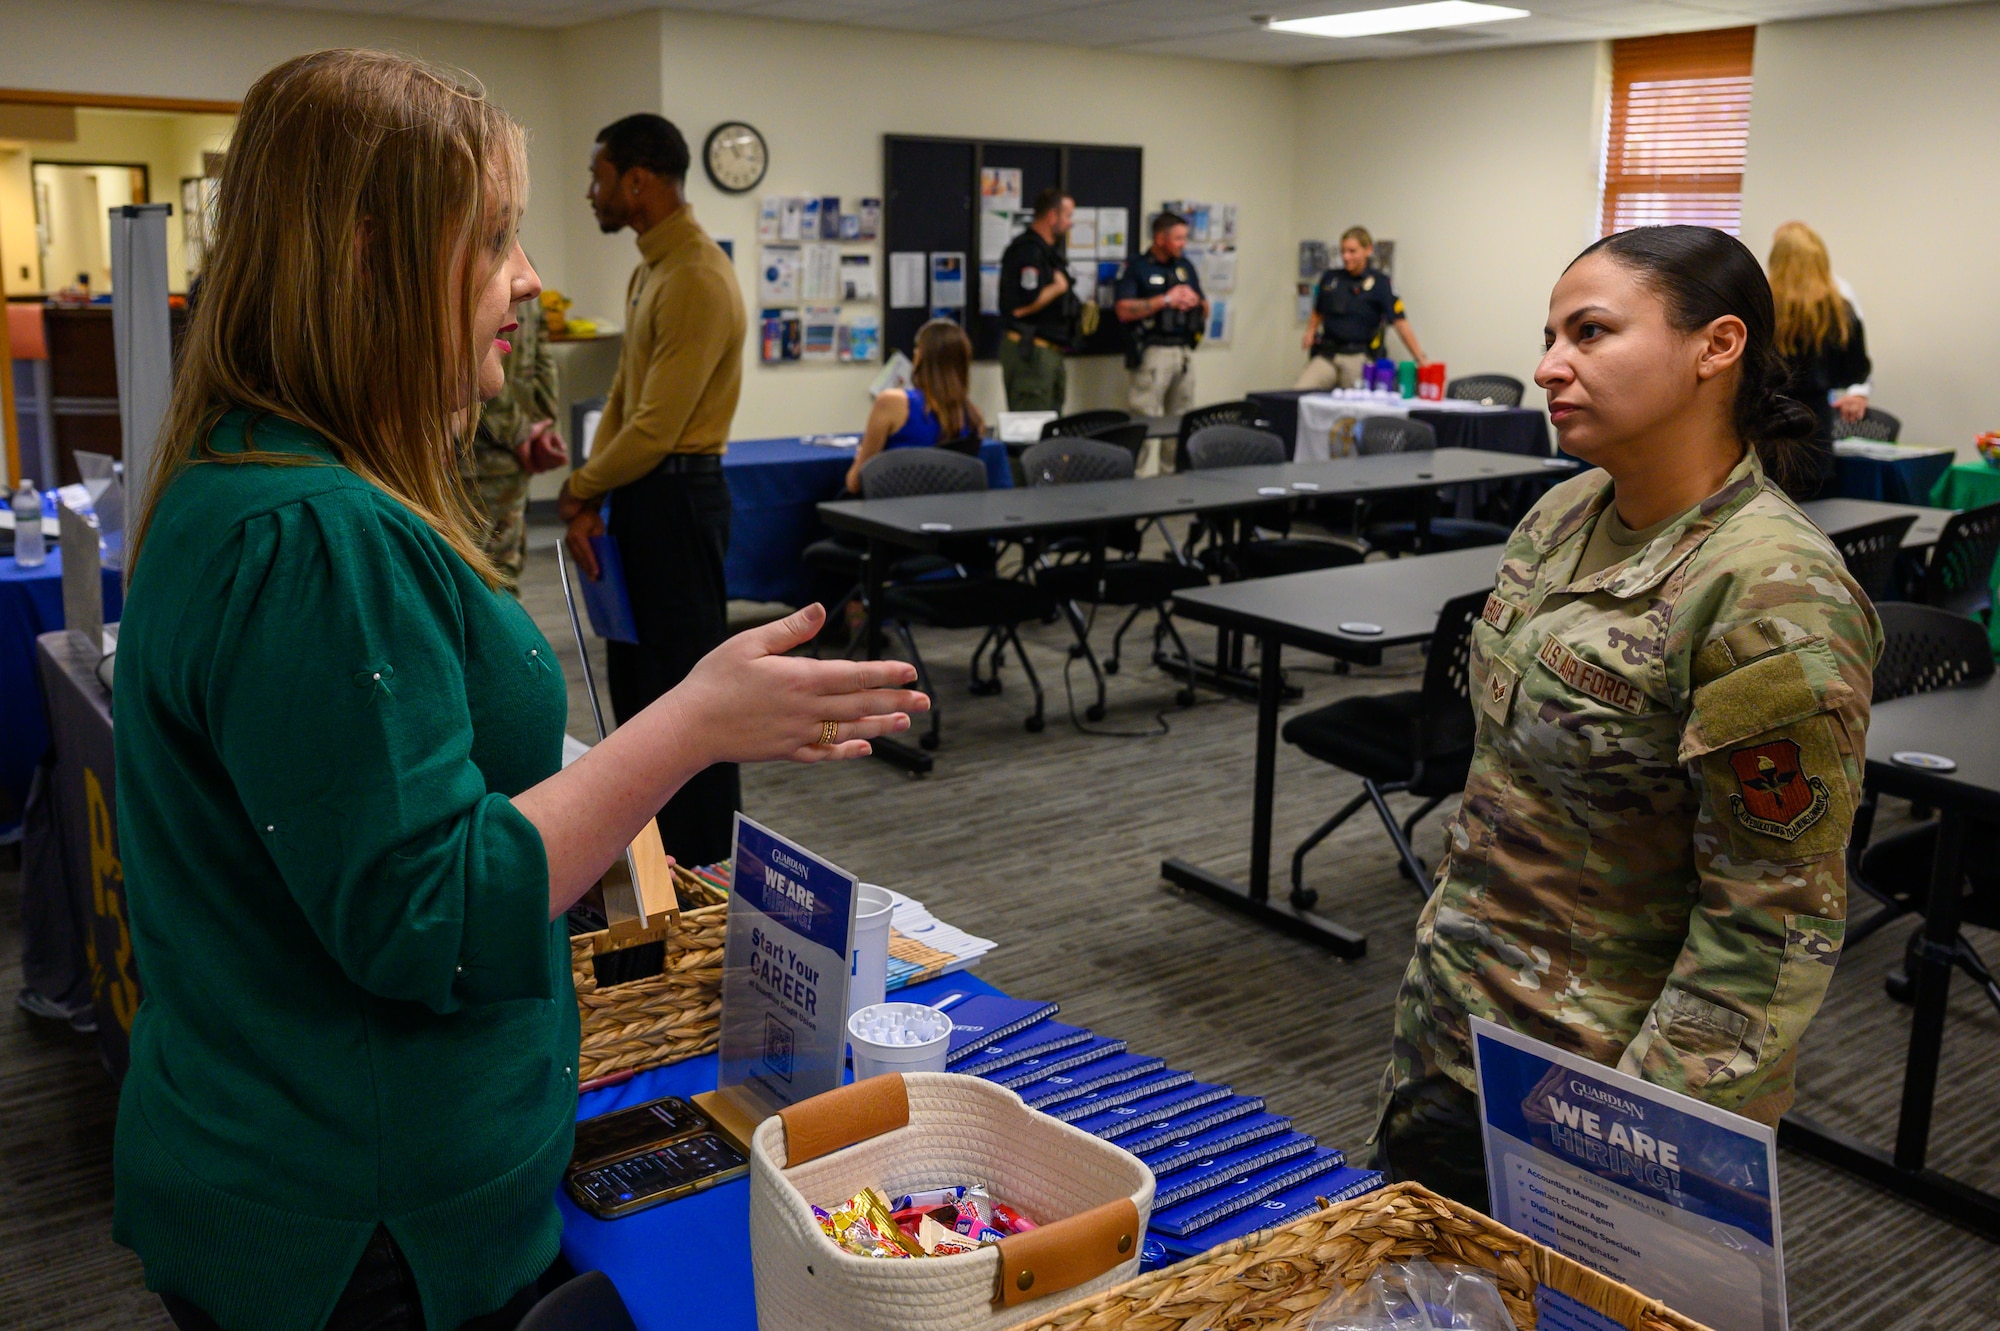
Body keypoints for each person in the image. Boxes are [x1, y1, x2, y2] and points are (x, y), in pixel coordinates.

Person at [114, 50, 926, 1331]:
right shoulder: (319, 538)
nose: (532, 281)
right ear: (376, 262)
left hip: (318, 1159)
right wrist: (691, 723)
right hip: (362, 1225)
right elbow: (429, 911)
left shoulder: (258, 479)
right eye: (495, 241)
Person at [1372, 224, 1880, 1209]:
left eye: (1589, 332)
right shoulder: (1559, 518)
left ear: (1714, 345)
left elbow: (1768, 925)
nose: (1547, 366)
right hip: (1453, 1021)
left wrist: (1644, 1143)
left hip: (1601, 1084)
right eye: (1550, 335)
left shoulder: (1769, 594)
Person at [558, 112, 748, 867]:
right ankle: (655, 858)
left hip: (676, 501)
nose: (592, 192)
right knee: (641, 694)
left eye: (599, 177)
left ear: (638, 180)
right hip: (641, 499)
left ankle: (705, 866)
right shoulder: (652, 270)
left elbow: (658, 429)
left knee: (691, 698)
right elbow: (622, 405)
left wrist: (577, 488)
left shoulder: (696, 275)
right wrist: (593, 498)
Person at [460, 282, 566, 593]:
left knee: (503, 581)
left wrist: (544, 429)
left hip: (509, 458)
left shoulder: (518, 265)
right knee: (467, 581)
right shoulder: (477, 254)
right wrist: (523, 433)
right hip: (470, 459)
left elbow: (541, 353)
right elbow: (471, 358)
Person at [1769, 220, 1870, 501]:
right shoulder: (1840, 311)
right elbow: (1855, 371)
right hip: (1816, 429)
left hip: (1767, 424)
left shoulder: (1763, 306)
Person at [845, 318, 984, 493]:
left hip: (891, 514)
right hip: (947, 515)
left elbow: (855, 483)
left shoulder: (891, 403)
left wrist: (861, 454)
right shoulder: (974, 418)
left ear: (921, 357)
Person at [1295, 226, 1427, 390]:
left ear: (1368, 250)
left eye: (1352, 251)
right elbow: (1318, 310)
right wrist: (1310, 330)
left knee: (1354, 408)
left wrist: (1420, 358)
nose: (1346, 256)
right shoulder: (1330, 278)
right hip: (1327, 355)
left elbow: (1400, 322)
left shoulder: (1381, 283)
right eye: (1343, 251)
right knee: (1300, 393)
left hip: (1359, 356)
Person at [1115, 211, 1208, 437]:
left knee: (1181, 421)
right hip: (1152, 352)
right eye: (1178, 239)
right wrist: (1166, 300)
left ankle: (1174, 473)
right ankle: (1136, 472)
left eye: (1185, 238)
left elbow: (1205, 307)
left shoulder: (1185, 267)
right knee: (1144, 420)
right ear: (1160, 238)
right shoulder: (1137, 267)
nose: (1183, 244)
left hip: (1182, 352)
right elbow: (1123, 310)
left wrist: (1194, 302)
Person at [997, 186, 1075, 411]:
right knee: (1031, 426)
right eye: (1068, 216)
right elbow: (1020, 307)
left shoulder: (1049, 251)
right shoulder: (1028, 251)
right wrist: (1058, 288)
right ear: (1052, 216)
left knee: (1052, 425)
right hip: (1031, 353)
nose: (1070, 223)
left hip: (1050, 350)